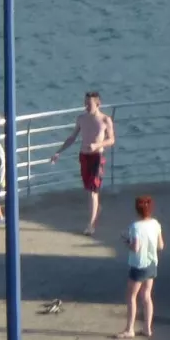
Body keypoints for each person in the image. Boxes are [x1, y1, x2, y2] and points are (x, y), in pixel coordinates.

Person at [49, 91, 115, 235]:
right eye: (85, 103)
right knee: (89, 189)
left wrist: (97, 145)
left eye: (89, 104)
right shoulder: (81, 118)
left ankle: (90, 225)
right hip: (84, 156)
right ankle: (97, 209)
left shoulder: (105, 119)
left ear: (98, 104)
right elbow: (72, 137)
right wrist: (58, 152)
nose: (86, 106)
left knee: (92, 190)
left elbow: (111, 140)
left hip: (97, 156)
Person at [115, 195, 164, 339]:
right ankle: (147, 328)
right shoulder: (156, 224)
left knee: (131, 296)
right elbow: (161, 245)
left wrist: (127, 242)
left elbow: (135, 248)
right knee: (147, 296)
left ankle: (130, 329)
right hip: (152, 264)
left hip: (138, 265)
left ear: (137, 210)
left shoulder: (135, 227)